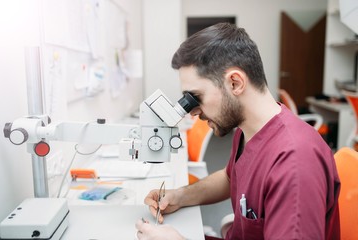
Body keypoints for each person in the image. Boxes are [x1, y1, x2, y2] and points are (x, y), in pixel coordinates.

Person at [135, 22, 340, 240]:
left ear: (234, 83)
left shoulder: (294, 162)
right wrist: (180, 196)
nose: (192, 113)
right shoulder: (248, 129)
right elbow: (231, 178)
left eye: (196, 97)